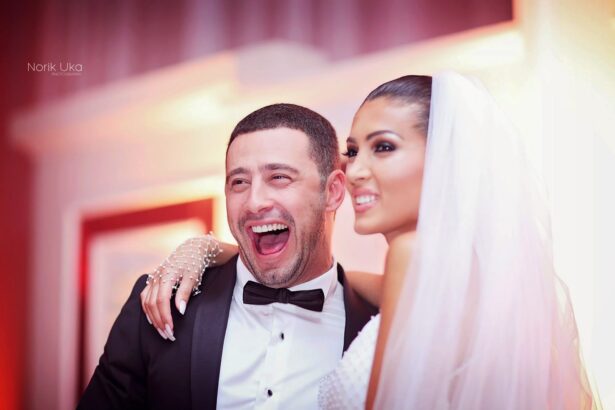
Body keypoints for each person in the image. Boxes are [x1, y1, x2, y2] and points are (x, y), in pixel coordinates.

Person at [144, 72, 595, 408]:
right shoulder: (461, 281)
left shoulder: (410, 256)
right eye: (354, 151)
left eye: (384, 147)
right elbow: (343, 281)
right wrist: (206, 248)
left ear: (445, 158)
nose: (356, 170)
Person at [78, 103, 378, 409]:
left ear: (333, 192)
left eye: (279, 177)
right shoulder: (161, 300)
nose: (254, 202)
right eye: (239, 182)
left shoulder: (377, 325)